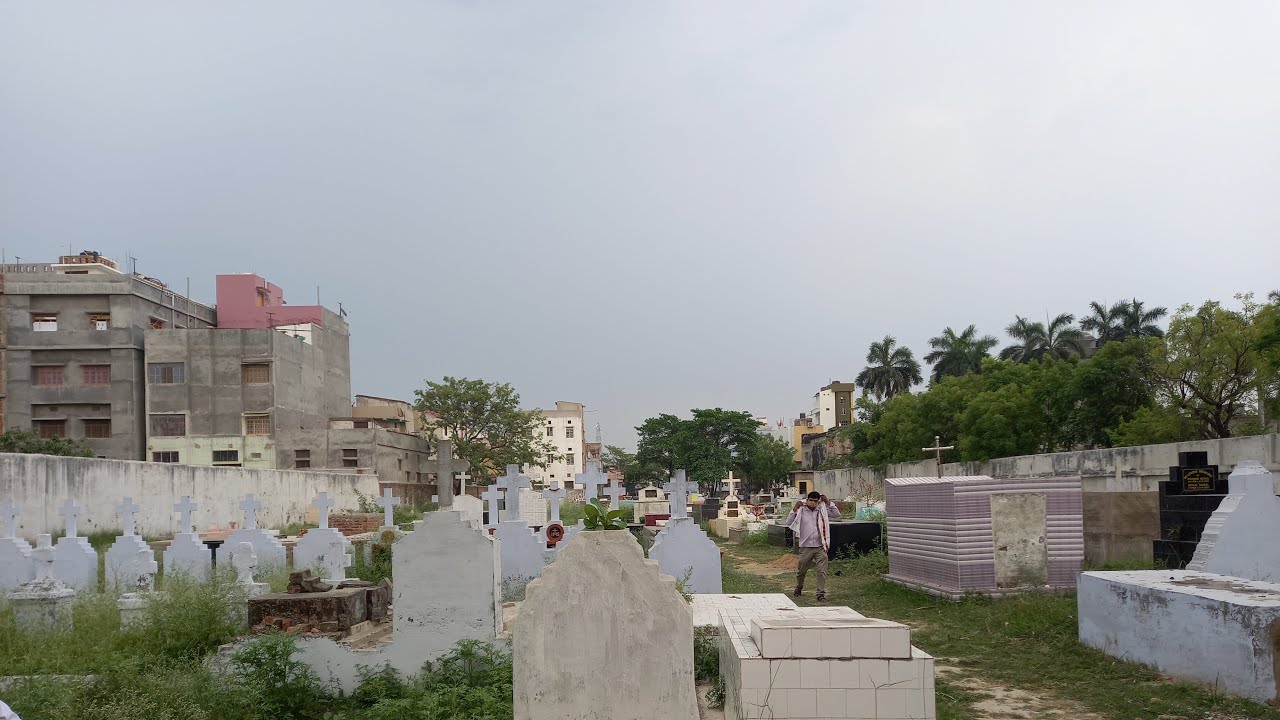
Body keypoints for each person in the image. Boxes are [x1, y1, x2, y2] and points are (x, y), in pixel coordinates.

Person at [784, 491, 840, 601]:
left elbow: (837, 514)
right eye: (811, 500)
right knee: (802, 571)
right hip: (806, 546)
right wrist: (794, 509)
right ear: (807, 500)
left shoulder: (822, 510)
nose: (813, 503)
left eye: (816, 501)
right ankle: (799, 587)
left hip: (820, 545)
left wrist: (828, 502)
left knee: (822, 571)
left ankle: (820, 593)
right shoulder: (801, 510)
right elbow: (788, 522)